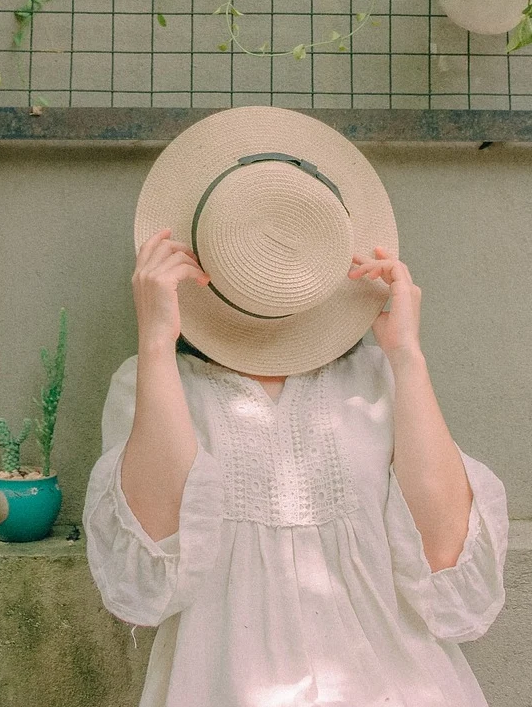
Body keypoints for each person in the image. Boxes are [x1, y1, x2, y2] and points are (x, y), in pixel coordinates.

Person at [84, 106, 508, 707]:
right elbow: (151, 571)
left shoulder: (377, 379)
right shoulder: (153, 384)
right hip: (225, 684)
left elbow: (446, 561)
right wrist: (155, 339)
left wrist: (407, 356)